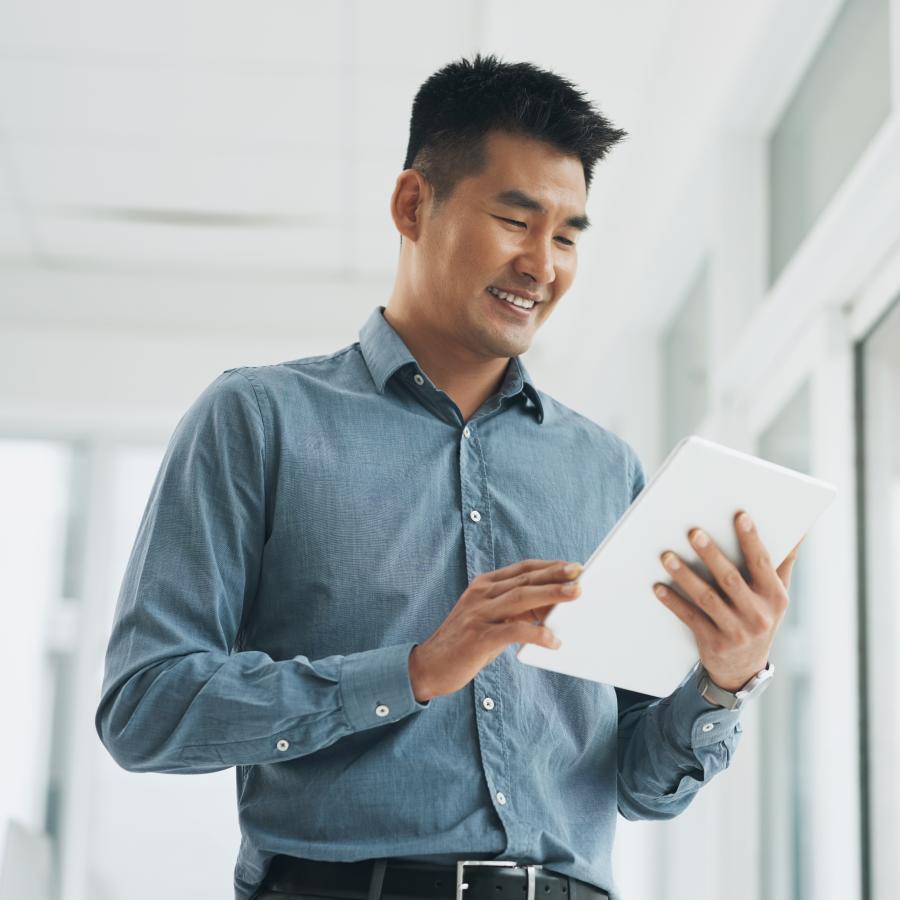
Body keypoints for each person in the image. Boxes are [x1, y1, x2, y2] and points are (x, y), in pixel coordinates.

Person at [95, 54, 800, 900]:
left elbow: (637, 787)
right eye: (515, 219)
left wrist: (726, 677)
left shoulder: (603, 467)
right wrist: (416, 670)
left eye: (569, 233)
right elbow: (145, 711)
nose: (544, 264)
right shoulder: (259, 419)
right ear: (411, 205)